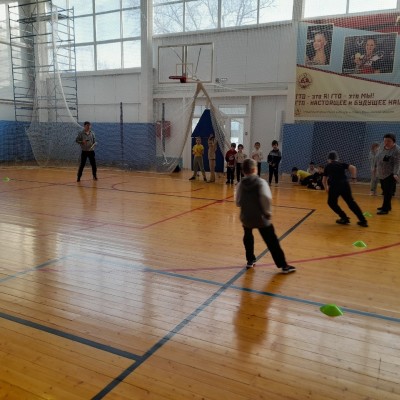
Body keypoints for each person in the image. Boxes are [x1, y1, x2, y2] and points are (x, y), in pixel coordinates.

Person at [235, 158, 296, 273]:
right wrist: (268, 213)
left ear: (243, 171)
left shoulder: (240, 184)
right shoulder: (261, 183)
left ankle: (250, 261)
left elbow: (238, 202)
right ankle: (283, 265)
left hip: (246, 218)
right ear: (255, 169)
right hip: (260, 218)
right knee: (272, 241)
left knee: (248, 237)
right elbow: (266, 198)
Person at [322, 151, 368, 227]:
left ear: (329, 159)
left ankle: (344, 217)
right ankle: (363, 220)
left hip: (334, 186)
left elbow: (324, 180)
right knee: (351, 202)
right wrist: (353, 178)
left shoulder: (328, 166)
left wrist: (326, 189)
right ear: (337, 158)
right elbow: (353, 168)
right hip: (345, 185)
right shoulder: (341, 164)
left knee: (331, 203)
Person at [375, 133, 400, 215]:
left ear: (393, 141)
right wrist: (375, 167)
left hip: (390, 174)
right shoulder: (382, 146)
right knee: (384, 189)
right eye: (385, 140)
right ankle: (387, 206)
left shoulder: (397, 150)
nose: (386, 142)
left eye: (389, 141)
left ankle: (385, 209)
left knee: (387, 192)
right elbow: (378, 157)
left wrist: (395, 173)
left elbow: (397, 163)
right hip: (381, 173)